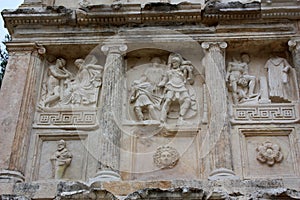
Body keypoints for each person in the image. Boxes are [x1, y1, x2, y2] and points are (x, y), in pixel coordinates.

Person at [158, 53, 192, 123]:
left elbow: (190, 80)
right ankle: (162, 119)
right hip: (171, 87)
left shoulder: (183, 71)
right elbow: (164, 81)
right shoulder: (169, 72)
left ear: (179, 63)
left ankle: (181, 117)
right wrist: (158, 85)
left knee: (187, 100)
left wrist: (190, 71)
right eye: (173, 62)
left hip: (181, 87)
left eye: (176, 62)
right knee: (167, 101)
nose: (174, 64)